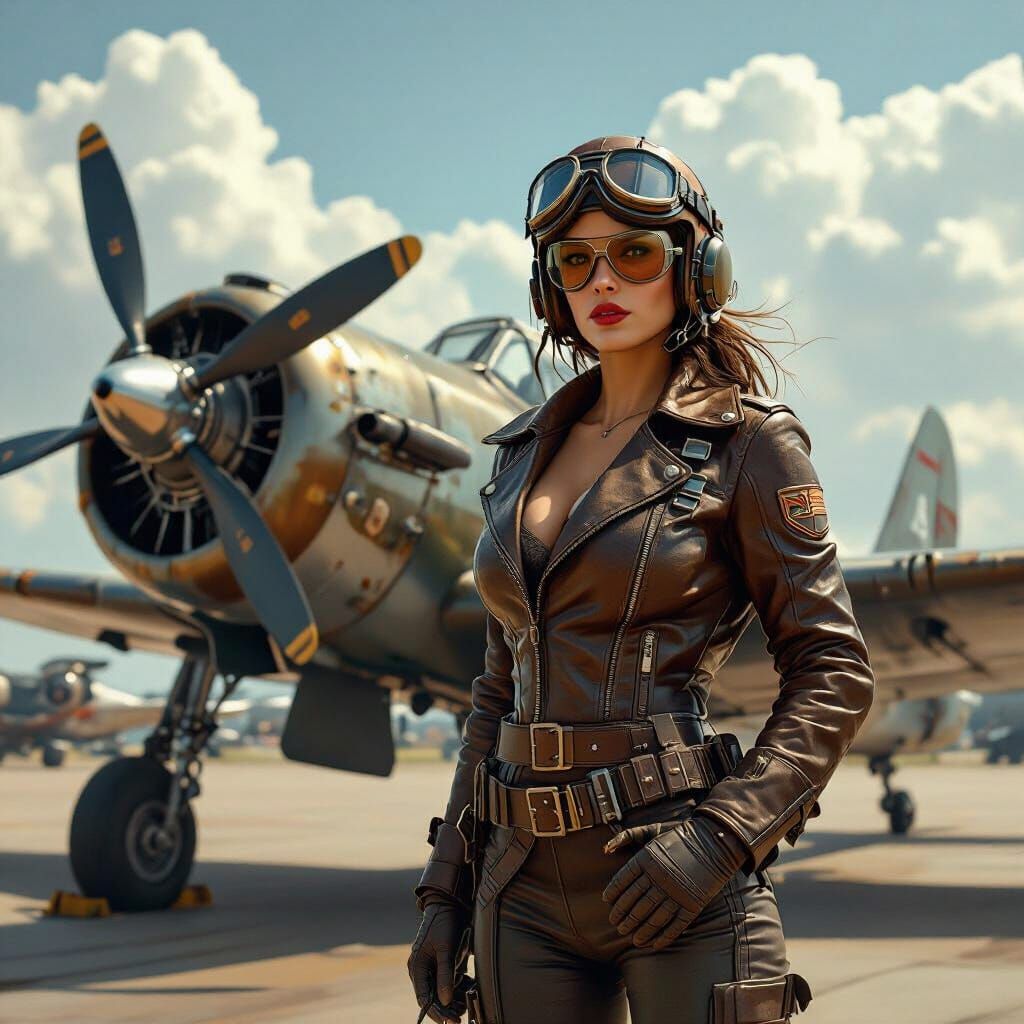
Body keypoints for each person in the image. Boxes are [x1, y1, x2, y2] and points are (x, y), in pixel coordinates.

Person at [408, 135, 875, 1024]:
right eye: (575, 261)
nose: (602, 283)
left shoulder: (751, 444)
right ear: (550, 287)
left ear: (697, 270)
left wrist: (720, 839)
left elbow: (835, 673)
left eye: (633, 253)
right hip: (519, 888)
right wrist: (444, 891)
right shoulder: (514, 458)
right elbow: (496, 693)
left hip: (678, 871)